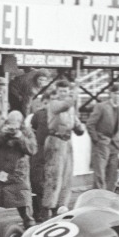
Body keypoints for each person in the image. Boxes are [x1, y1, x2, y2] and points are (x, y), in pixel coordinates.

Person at [37, 83, 84, 219]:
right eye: (61, 91)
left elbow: (75, 122)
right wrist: (74, 93)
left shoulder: (70, 108)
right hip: (55, 141)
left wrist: (79, 127)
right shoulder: (54, 103)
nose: (63, 93)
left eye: (66, 90)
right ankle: (47, 209)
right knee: (53, 176)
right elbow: (66, 104)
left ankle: (61, 206)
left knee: (66, 177)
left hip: (67, 142)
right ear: (57, 92)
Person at [84, 85, 119, 193]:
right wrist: (96, 140)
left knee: (112, 173)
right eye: (115, 93)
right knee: (100, 174)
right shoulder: (101, 106)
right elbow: (90, 124)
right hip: (102, 143)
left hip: (114, 144)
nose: (117, 96)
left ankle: (109, 196)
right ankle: (98, 197)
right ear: (110, 94)